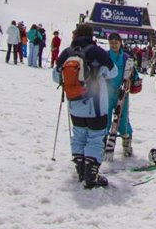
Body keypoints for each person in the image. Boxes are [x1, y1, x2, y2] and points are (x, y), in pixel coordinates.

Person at [59, 23, 116, 188]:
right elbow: (113, 72)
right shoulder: (97, 52)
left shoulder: (67, 53)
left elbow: (56, 76)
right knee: (96, 137)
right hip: (96, 104)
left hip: (75, 104)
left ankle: (80, 169)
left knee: (79, 135)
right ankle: (91, 174)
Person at [105, 32, 141, 157]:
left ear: (120, 43)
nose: (114, 45)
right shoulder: (106, 56)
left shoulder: (126, 58)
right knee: (105, 118)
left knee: (123, 119)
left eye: (116, 43)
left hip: (123, 93)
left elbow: (133, 72)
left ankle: (127, 143)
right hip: (107, 92)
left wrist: (135, 79)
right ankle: (103, 143)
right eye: (111, 43)